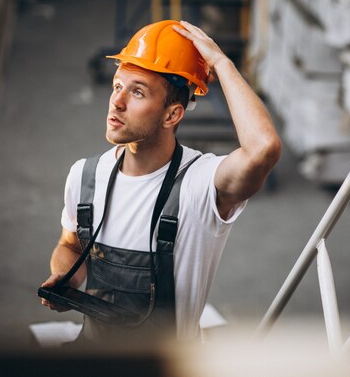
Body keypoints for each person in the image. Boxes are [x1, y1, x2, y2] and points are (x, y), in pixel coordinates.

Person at [39, 20, 281, 343]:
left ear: (172, 115)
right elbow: (70, 245)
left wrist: (222, 64)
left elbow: (263, 148)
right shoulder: (85, 177)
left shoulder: (199, 186)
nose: (117, 101)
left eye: (137, 91)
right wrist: (66, 276)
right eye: (117, 86)